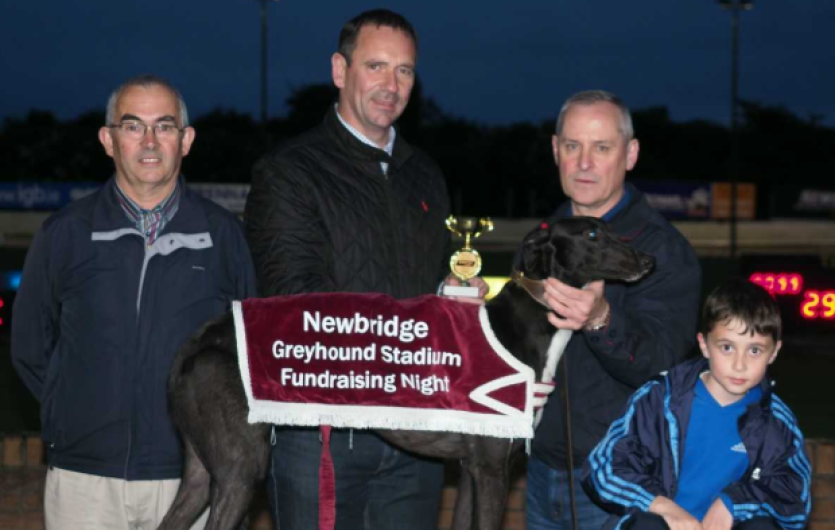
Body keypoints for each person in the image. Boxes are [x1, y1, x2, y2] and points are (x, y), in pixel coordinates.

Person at [244, 8, 485, 530]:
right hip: (324, 435)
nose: (391, 84)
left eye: (404, 71)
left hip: (416, 438)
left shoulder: (425, 174)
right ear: (339, 70)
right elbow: (296, 302)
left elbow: (431, 296)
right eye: (376, 66)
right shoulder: (288, 171)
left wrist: (454, 301)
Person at [11, 75, 256, 530]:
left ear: (186, 140)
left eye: (164, 126)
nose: (149, 141)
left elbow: (249, 355)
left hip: (195, 478)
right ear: (108, 140)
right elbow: (29, 348)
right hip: (85, 481)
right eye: (132, 126)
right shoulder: (64, 233)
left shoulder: (223, 235)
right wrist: (72, 417)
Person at [525, 90, 702, 529]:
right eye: (572, 146)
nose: (584, 163)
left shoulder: (664, 250)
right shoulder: (540, 240)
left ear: (631, 153)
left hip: (622, 485)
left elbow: (663, 366)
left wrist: (601, 319)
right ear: (555, 150)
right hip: (537, 475)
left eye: (601, 148)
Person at [583, 279, 811, 530]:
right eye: (727, 347)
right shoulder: (659, 399)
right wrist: (664, 507)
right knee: (646, 525)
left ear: (774, 352)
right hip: (665, 524)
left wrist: (734, 502)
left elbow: (795, 500)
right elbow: (604, 469)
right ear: (704, 345)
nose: (739, 364)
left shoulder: (776, 420)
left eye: (754, 350)